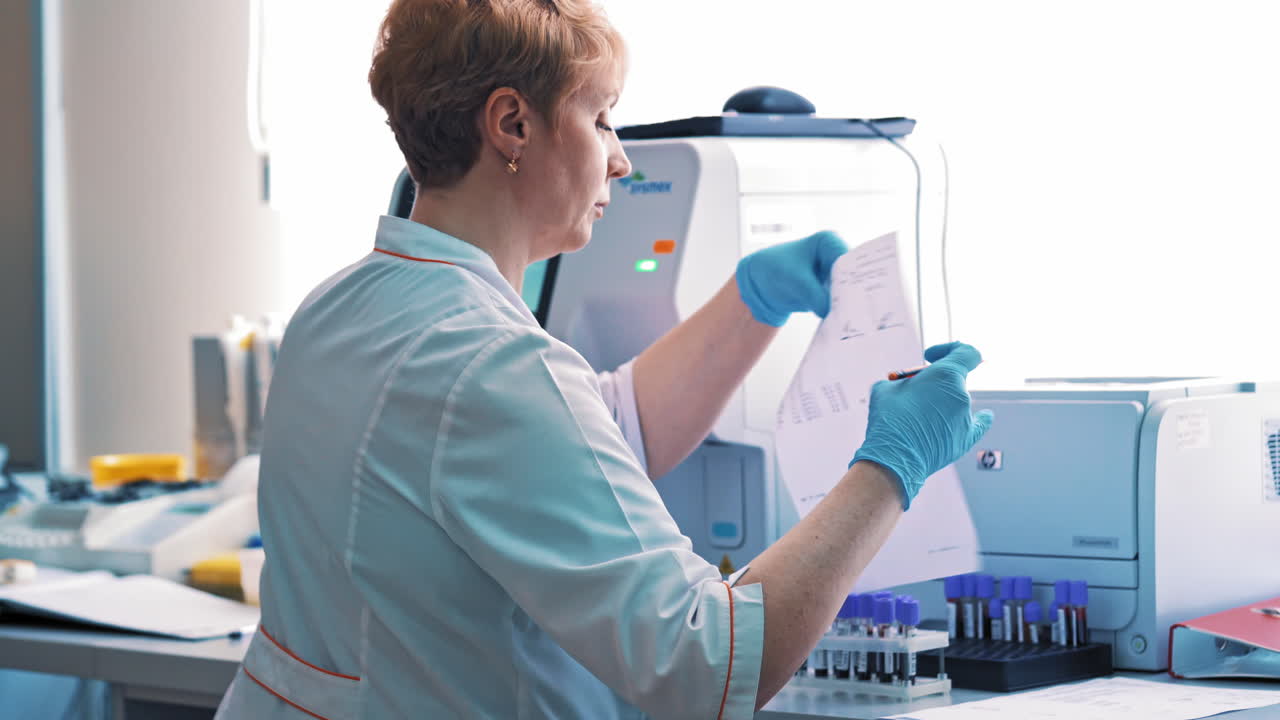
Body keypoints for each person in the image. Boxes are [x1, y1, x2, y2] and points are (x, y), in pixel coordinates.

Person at [213, 1, 993, 718]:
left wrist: (748, 303)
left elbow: (591, 435)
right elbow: (711, 661)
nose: (619, 160)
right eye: (602, 119)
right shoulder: (491, 360)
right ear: (512, 125)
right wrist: (891, 465)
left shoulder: (343, 307)